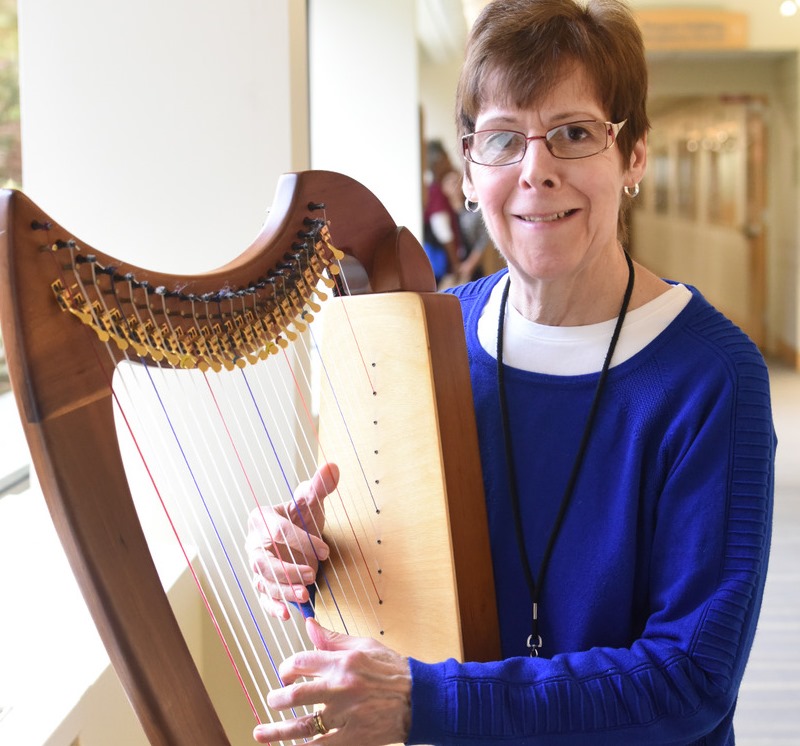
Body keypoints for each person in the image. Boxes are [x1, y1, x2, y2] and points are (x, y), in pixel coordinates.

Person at [247, 1, 776, 743]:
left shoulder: (711, 375)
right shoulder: (419, 339)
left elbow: (691, 679)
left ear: (634, 157)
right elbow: (404, 599)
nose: (537, 171)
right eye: (502, 139)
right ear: (469, 172)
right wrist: (308, 565)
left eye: (574, 134)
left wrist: (424, 702)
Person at [423, 139, 464, 284]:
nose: (449, 161)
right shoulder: (435, 193)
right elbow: (443, 231)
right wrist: (456, 263)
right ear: (438, 161)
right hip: (441, 262)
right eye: (446, 157)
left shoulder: (434, 190)